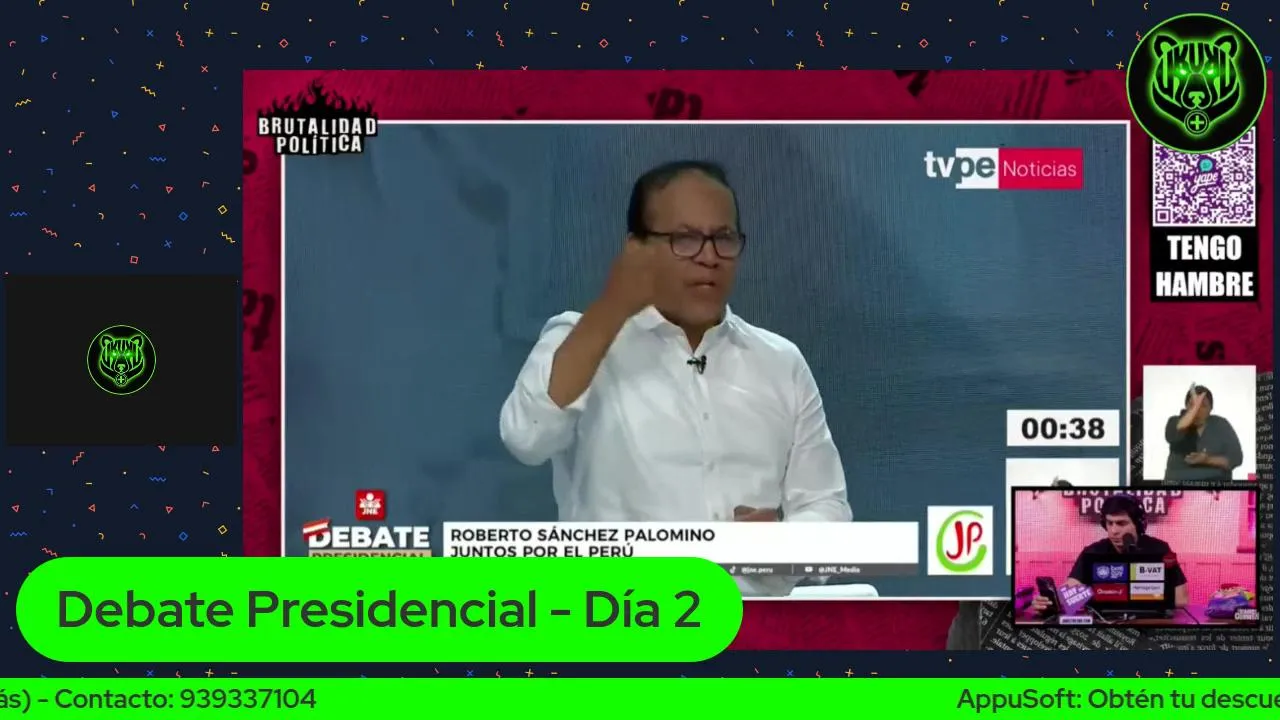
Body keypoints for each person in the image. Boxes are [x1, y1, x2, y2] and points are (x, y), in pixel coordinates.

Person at [499, 160, 852, 596]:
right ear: (637, 249)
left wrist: (784, 544)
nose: (709, 257)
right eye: (685, 239)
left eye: (724, 238)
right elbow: (526, 437)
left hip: (752, 624)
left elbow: (826, 505)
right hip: (625, 621)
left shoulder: (780, 363)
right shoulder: (582, 341)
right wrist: (613, 305)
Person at [1029, 494, 1188, 612]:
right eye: (1109, 523)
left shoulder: (1161, 549)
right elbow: (1069, 593)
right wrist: (1050, 602)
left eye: (1121, 523)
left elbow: (1181, 598)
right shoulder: (1092, 552)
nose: (1113, 531)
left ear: (1139, 525)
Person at [1163, 385, 1244, 482]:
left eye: (1203, 405)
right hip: (1178, 481)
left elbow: (1236, 459)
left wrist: (1207, 460)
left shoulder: (1221, 424)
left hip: (1215, 483)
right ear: (1186, 407)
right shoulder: (1175, 422)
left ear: (1210, 409)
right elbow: (1177, 430)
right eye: (1192, 405)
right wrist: (1194, 408)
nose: (1197, 411)